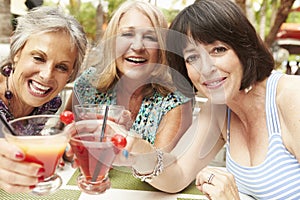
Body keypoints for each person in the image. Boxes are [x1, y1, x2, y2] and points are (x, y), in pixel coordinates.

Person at [87, 0, 299, 199]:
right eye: (192, 57)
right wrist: (138, 150)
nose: (206, 68)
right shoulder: (219, 110)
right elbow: (177, 176)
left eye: (218, 49)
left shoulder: (291, 97)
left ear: (244, 48)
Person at [66, 0, 193, 151]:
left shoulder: (175, 99)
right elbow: (64, 138)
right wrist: (70, 149)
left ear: (161, 48)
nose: (138, 46)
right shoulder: (89, 83)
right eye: (127, 34)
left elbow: (161, 169)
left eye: (150, 37)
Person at [0, 6, 87, 193]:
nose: (47, 76)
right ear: (17, 53)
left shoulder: (50, 102)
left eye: (62, 67)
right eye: (39, 58)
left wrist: (64, 150)